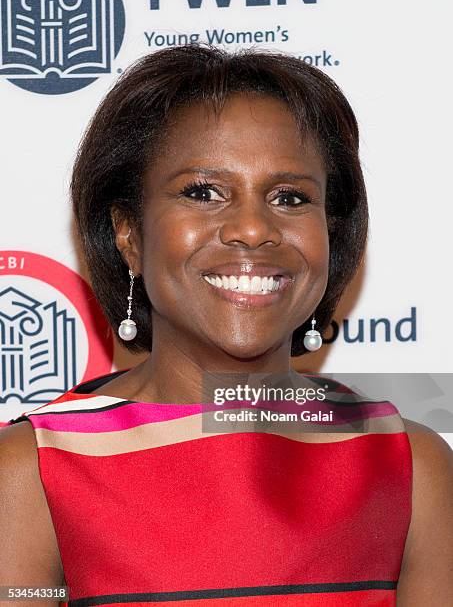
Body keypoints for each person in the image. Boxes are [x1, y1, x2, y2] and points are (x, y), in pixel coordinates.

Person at [1, 43, 452, 606]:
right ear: (128, 235)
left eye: (289, 197)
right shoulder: (33, 472)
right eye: (203, 192)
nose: (251, 228)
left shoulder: (411, 468)